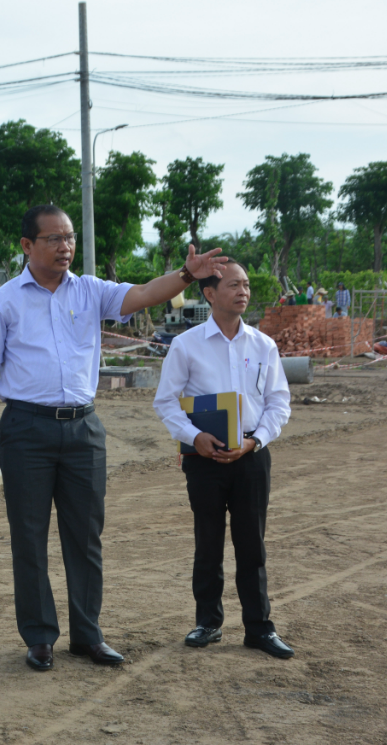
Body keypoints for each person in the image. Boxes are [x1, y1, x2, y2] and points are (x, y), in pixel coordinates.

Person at [0, 204, 228, 671]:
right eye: (53, 238)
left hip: (83, 429)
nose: (65, 246)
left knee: (86, 536)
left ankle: (87, 635)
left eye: (69, 237)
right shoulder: (3, 301)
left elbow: (144, 294)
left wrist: (187, 275)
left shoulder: (90, 290)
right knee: (29, 536)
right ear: (27, 245)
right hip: (25, 429)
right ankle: (40, 637)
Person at [152, 261, 295, 659]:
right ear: (210, 294)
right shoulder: (186, 345)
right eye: (234, 285)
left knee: (252, 544)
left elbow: (278, 403)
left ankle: (259, 628)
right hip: (204, 458)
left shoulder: (263, 345)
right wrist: (194, 437)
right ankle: (208, 622)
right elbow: (165, 401)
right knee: (208, 542)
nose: (243, 291)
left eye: (246, 285)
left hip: (252, 457)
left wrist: (256, 441)